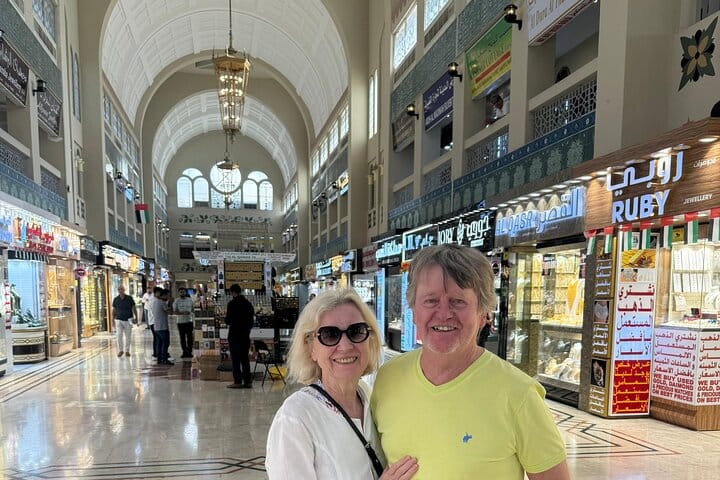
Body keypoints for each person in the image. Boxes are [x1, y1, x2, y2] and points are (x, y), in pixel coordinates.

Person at [371, 244, 569, 479]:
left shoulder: (519, 394)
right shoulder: (388, 379)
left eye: (458, 301)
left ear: (483, 313)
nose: (444, 313)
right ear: (413, 310)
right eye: (431, 301)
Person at [266, 289, 418, 480]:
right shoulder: (295, 418)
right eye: (329, 335)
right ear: (311, 348)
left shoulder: (368, 396)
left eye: (356, 332)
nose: (345, 347)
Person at [225, 284, 256, 388]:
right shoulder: (248, 304)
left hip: (234, 334)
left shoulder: (232, 304)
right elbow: (251, 321)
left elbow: (228, 320)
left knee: (235, 359)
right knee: (245, 359)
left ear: (233, 292)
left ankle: (237, 381)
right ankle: (248, 381)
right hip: (245, 335)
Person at [112, 286, 138, 357]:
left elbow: (134, 308)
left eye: (122, 289)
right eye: (119, 289)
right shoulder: (116, 299)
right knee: (119, 335)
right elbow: (114, 310)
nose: (120, 290)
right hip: (118, 319)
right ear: (118, 290)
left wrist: (136, 317)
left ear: (124, 290)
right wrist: (112, 320)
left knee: (128, 336)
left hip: (128, 319)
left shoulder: (129, 298)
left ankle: (127, 351)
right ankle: (121, 350)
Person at [151, 287, 173, 365]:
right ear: (164, 295)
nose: (168, 297)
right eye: (168, 295)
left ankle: (159, 359)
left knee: (159, 344)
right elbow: (169, 312)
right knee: (165, 343)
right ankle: (164, 359)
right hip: (163, 326)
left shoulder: (154, 302)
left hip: (156, 326)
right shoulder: (162, 302)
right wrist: (170, 303)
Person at [173, 287, 195, 358]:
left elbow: (193, 309)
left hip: (189, 321)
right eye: (181, 292)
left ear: (186, 292)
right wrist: (182, 313)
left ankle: (190, 351)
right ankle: (184, 352)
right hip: (180, 322)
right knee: (182, 338)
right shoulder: (176, 301)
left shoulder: (190, 300)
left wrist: (190, 313)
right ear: (179, 293)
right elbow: (174, 311)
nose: (182, 293)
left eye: (183, 292)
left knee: (190, 338)